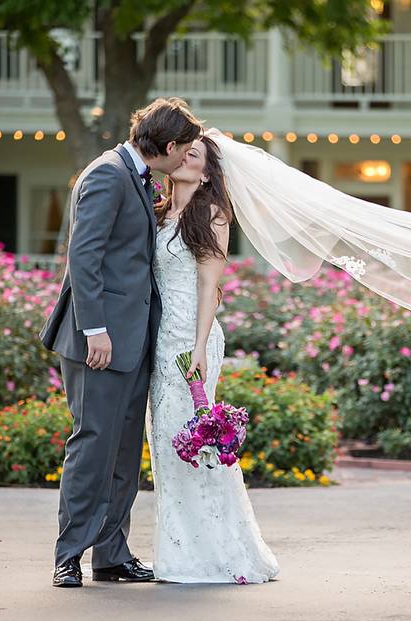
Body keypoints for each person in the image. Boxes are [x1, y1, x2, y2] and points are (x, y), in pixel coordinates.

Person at [40, 97, 201, 588]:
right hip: (100, 341)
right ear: (169, 146)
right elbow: (82, 256)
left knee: (126, 451)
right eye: (187, 150)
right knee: (93, 446)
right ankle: (69, 556)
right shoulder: (107, 174)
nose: (187, 158)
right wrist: (96, 330)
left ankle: (111, 554)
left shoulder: (138, 175)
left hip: (134, 339)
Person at [145, 135, 279, 583]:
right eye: (182, 151)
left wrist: (200, 345)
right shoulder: (159, 213)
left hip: (193, 340)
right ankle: (179, 552)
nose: (184, 156)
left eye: (194, 155)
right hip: (160, 342)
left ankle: (219, 554)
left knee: (197, 443)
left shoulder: (213, 215)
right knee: (167, 446)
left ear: (205, 173)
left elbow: (210, 287)